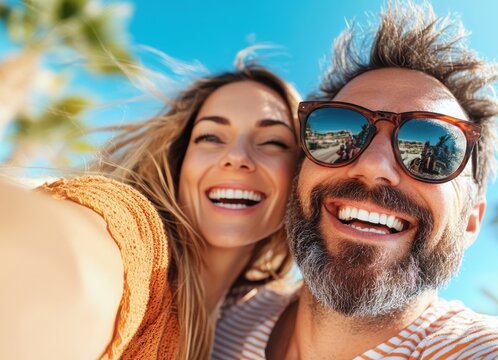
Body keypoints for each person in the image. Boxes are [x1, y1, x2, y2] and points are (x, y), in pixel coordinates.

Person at [212, 3, 498, 360]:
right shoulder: (213, 318)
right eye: (344, 130)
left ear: (471, 219)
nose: (374, 165)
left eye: (428, 146)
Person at [0, 61, 301, 359]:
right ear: (180, 160)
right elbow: (72, 267)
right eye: (210, 137)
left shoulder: (261, 317)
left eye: (273, 142)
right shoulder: (133, 231)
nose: (236, 157)